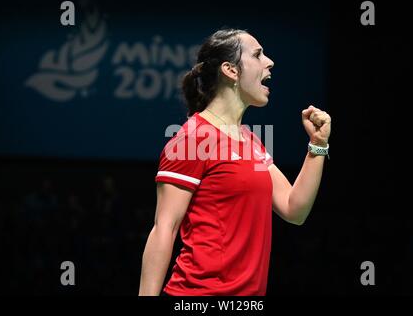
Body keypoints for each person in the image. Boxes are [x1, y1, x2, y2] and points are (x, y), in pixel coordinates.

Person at [138, 28, 331, 296]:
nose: (269, 62)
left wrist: (318, 147)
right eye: (258, 54)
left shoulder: (253, 141)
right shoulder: (192, 139)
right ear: (231, 70)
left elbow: (293, 209)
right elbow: (164, 229)